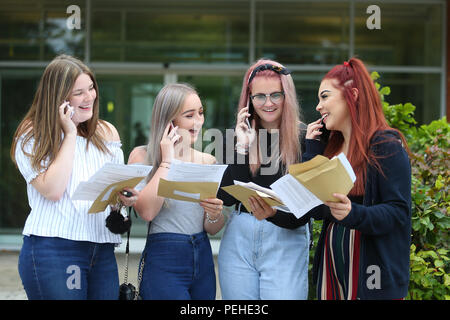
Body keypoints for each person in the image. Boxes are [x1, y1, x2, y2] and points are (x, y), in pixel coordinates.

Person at [10, 54, 138, 300]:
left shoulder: (106, 132)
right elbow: (54, 190)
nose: (89, 97)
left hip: (101, 250)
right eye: (78, 92)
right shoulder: (32, 135)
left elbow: (111, 197)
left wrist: (122, 199)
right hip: (55, 250)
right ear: (58, 98)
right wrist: (68, 134)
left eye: (91, 88)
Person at [304, 57, 411, 300]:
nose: (318, 107)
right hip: (333, 273)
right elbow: (316, 209)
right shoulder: (331, 146)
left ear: (352, 95)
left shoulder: (385, 145)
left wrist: (354, 214)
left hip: (371, 278)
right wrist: (312, 151)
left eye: (324, 97)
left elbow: (398, 213)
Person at [217, 59, 311, 300]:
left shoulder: (305, 138)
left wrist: (272, 214)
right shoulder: (239, 136)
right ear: (249, 99)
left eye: (275, 95)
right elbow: (226, 196)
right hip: (240, 236)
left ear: (286, 96)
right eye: (260, 96)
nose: (268, 103)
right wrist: (242, 146)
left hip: (285, 237)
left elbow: (305, 211)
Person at [132, 83, 224, 300]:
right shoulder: (142, 156)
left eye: (200, 113)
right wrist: (167, 160)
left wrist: (215, 213)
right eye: (189, 115)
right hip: (164, 256)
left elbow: (212, 228)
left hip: (202, 253)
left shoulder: (207, 160)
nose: (198, 122)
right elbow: (146, 212)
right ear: (169, 122)